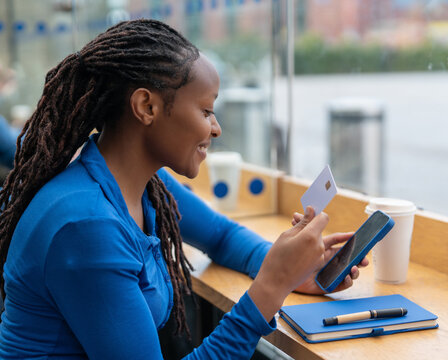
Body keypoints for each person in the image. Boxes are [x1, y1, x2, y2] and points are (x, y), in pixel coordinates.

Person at [0, 19, 367, 359]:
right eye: (206, 111)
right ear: (147, 106)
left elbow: (221, 236)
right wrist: (273, 285)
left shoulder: (143, 185)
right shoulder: (86, 227)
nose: (216, 128)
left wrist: (294, 270)